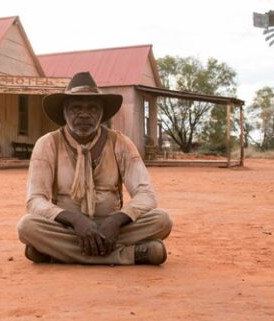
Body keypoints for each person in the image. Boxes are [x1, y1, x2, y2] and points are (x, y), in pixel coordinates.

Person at [17, 72, 172, 265]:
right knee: (27, 227)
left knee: (162, 220)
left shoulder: (120, 143)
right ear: (64, 112)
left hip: (114, 230)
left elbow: (146, 195)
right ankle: (129, 255)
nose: (84, 114)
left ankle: (55, 254)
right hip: (68, 229)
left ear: (102, 113)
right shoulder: (48, 144)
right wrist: (75, 220)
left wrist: (116, 220)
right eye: (76, 108)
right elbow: (35, 200)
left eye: (92, 108)